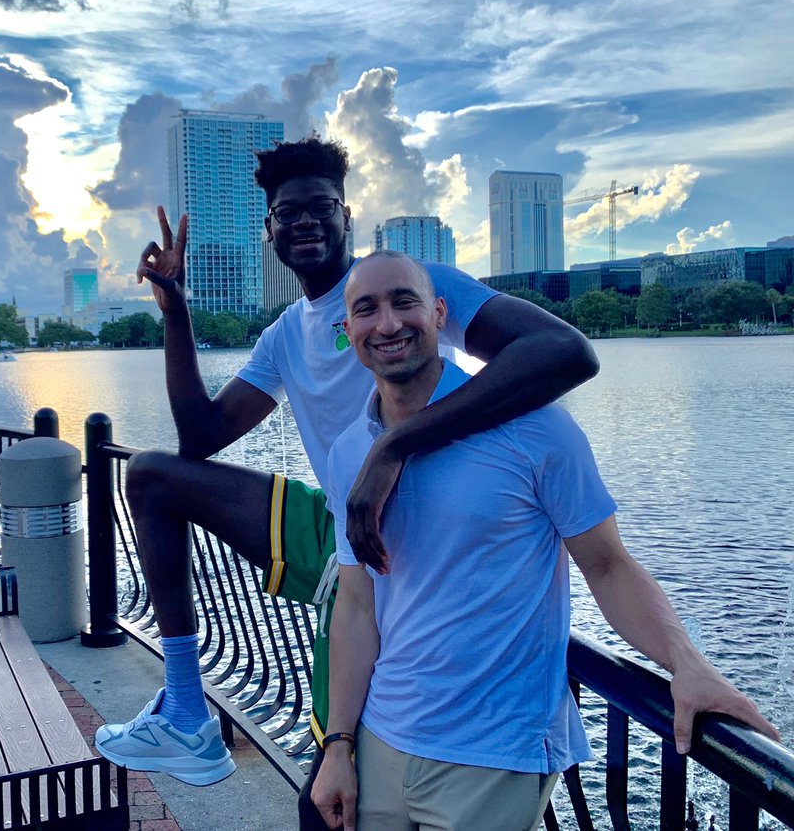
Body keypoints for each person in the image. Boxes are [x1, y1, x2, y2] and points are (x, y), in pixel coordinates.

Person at [94, 137, 599, 817]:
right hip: (342, 533)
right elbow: (201, 436)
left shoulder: (402, 289)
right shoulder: (284, 336)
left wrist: (395, 446)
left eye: (319, 206)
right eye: (286, 211)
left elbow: (562, 352)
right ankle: (186, 710)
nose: (304, 221)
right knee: (154, 477)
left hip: (406, 545)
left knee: (324, 807)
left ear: (346, 216)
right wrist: (176, 309)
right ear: (268, 231)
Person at [310, 251, 780, 831]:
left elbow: (607, 566)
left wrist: (687, 662)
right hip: (380, 739)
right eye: (366, 310)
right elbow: (358, 606)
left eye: (404, 302)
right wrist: (339, 745)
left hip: (494, 751)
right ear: (347, 330)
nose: (387, 324)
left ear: (438, 314)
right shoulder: (349, 451)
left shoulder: (535, 429)